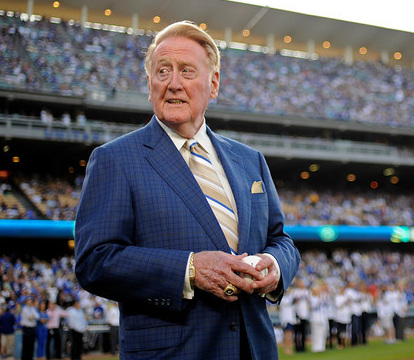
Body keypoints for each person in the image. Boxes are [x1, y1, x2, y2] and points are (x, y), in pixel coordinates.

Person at [74, 20, 300, 360]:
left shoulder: (250, 160)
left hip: (254, 350)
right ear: (150, 84)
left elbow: (281, 239)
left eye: (187, 71)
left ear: (213, 84)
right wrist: (190, 270)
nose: (174, 83)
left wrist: (275, 266)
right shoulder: (115, 159)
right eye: (162, 71)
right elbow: (94, 260)